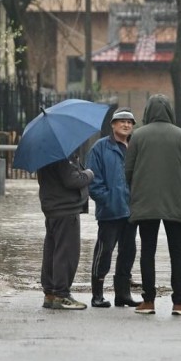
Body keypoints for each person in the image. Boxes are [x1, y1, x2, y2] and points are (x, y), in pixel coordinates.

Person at [124, 94, 181, 316]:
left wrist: (134, 191)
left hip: (145, 202)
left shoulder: (138, 136)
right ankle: (178, 303)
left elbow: (128, 170)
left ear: (148, 112)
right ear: (170, 112)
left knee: (147, 251)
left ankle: (148, 301)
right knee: (177, 252)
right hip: (176, 201)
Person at [86, 107, 142, 308]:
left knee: (128, 253)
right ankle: (97, 295)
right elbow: (93, 181)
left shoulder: (137, 147)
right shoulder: (100, 148)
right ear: (113, 125)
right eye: (122, 121)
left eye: (130, 122)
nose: (126, 125)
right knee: (104, 252)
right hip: (110, 212)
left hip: (132, 211)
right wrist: (108, 200)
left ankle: (123, 294)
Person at [37, 154, 94, 310]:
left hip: (52, 209)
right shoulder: (61, 155)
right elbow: (72, 180)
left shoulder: (45, 155)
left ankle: (50, 294)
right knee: (66, 253)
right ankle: (61, 295)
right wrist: (89, 173)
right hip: (66, 209)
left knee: (52, 252)